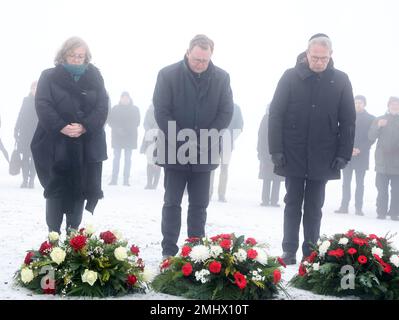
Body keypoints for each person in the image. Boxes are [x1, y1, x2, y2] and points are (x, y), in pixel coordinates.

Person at [268, 33, 356, 264]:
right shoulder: (290, 76)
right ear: (307, 54)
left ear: (331, 56)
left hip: (324, 154)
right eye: (315, 57)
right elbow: (275, 114)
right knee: (292, 202)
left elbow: (348, 120)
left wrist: (343, 153)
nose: (319, 62)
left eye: (323, 58)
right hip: (292, 152)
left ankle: (311, 252)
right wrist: (275, 150)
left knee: (315, 205)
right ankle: (289, 251)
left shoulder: (341, 80)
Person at [153, 34, 234, 259]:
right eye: (196, 59)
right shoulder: (167, 75)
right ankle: (168, 249)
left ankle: (195, 250)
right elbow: (162, 111)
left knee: (199, 205)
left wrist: (206, 139)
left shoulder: (222, 78)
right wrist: (183, 139)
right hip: (173, 148)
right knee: (172, 202)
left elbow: (226, 112)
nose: (200, 64)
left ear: (211, 56)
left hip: (205, 151)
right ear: (188, 52)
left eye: (204, 61)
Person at [31, 36, 108, 234]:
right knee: (55, 191)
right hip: (55, 143)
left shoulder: (95, 76)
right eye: (72, 55)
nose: (76, 59)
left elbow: (102, 106)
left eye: (80, 56)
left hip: (85, 145)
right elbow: (42, 104)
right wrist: (61, 126)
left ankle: (74, 240)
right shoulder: (48, 76)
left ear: (86, 57)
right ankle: (53, 241)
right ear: (64, 55)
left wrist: (85, 126)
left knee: (79, 191)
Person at [335, 95, 375, 216]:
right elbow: (341, 134)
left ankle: (358, 208)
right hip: (347, 155)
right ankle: (344, 206)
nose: (358, 105)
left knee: (360, 183)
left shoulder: (371, 118)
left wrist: (360, 149)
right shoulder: (347, 116)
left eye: (360, 103)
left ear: (364, 104)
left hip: (361, 156)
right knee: (346, 182)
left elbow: (371, 138)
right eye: (356, 103)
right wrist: (348, 149)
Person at [368, 96, 399, 221]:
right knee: (381, 189)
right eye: (392, 104)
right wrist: (378, 126)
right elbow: (370, 137)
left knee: (397, 190)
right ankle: (381, 212)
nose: (395, 106)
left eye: (397, 104)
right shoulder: (380, 119)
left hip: (397, 161)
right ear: (388, 105)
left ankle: (395, 213)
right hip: (382, 161)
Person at [209, 103, 243, 202]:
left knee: (218, 168)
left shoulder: (233, 108)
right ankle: (216, 193)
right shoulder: (233, 108)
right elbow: (240, 126)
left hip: (220, 142)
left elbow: (239, 126)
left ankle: (216, 193)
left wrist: (232, 139)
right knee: (217, 168)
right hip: (217, 142)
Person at [107, 91, 140, 186]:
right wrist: (117, 129)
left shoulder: (135, 109)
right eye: (123, 98)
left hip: (130, 138)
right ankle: (114, 179)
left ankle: (126, 180)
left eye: (126, 98)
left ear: (129, 99)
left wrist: (127, 130)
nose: (125, 99)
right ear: (120, 99)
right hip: (117, 138)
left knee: (128, 159)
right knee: (116, 159)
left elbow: (137, 122)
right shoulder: (115, 109)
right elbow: (110, 121)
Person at [257, 104, 284, 207]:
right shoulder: (266, 119)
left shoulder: (278, 119)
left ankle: (273, 200)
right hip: (267, 152)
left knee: (275, 178)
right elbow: (261, 136)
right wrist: (260, 152)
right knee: (268, 178)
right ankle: (266, 200)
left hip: (274, 152)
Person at [14, 81, 39, 188]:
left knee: (34, 158)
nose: (35, 90)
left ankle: (31, 181)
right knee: (25, 157)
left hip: (37, 133)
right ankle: (24, 180)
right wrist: (16, 129)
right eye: (33, 88)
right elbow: (21, 114)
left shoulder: (42, 101)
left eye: (36, 88)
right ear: (30, 89)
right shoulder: (26, 100)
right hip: (25, 133)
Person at [140, 103, 161, 189]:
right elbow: (145, 123)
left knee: (158, 161)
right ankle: (149, 183)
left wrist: (157, 131)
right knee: (149, 160)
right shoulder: (149, 111)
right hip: (149, 138)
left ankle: (155, 184)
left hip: (160, 137)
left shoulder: (164, 109)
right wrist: (149, 130)